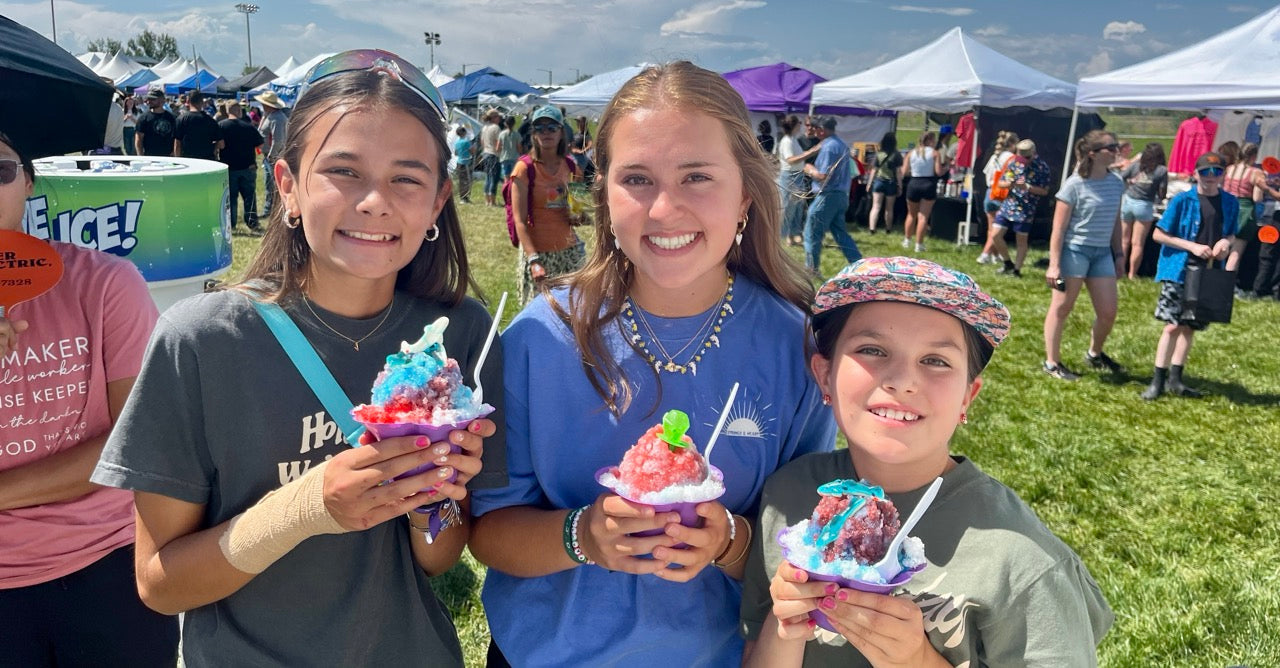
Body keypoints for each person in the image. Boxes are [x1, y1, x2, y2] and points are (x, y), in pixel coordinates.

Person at [90, 50, 505, 666]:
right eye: (343, 171)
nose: (373, 202)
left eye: (406, 178)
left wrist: (431, 497)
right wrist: (306, 508)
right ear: (287, 186)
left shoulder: (460, 334)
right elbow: (159, 582)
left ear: (438, 201)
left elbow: (441, 556)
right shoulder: (201, 341)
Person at [469, 61, 837, 667]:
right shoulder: (542, 336)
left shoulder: (795, 348)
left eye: (697, 177)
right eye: (637, 179)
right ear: (605, 196)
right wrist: (581, 536)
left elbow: (805, 543)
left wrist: (728, 541)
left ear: (745, 192)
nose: (664, 209)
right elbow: (487, 532)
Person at [740, 257, 1113, 666]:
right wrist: (787, 626)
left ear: (967, 397)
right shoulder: (788, 498)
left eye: (935, 360)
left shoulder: (1023, 562)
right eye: (872, 349)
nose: (903, 380)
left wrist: (918, 660)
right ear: (824, 374)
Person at [0, 131, 177, 666]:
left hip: (106, 559)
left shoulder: (103, 284)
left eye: (0, 170)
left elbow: (135, 443)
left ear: (28, 184)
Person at [1140, 152, 1239, 401]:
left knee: (1190, 326)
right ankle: (1157, 380)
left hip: (1208, 271)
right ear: (1195, 174)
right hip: (1179, 269)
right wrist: (1192, 246)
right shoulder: (1182, 200)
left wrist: (1225, 243)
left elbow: (1231, 234)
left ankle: (1176, 379)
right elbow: (1159, 235)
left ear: (1222, 176)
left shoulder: (1230, 202)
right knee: (1172, 325)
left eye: (1216, 173)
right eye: (1205, 172)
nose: (1210, 177)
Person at [1044, 130, 1127, 381]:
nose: (1116, 151)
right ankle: (1052, 362)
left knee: (1108, 312)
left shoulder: (1116, 183)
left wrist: (1119, 253)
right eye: (1110, 148)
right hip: (1075, 251)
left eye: (1116, 146)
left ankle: (1095, 353)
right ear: (1092, 153)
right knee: (1062, 308)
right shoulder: (1074, 185)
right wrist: (1054, 265)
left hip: (1102, 253)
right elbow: (1058, 229)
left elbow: (1115, 221)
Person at [507, 105, 583, 304]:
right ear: (533, 134)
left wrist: (579, 215)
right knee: (542, 316)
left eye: (552, 127)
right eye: (539, 128)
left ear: (561, 132)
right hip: (539, 256)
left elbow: (579, 210)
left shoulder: (571, 167)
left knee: (575, 310)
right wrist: (534, 261)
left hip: (570, 253)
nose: (546, 132)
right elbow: (519, 221)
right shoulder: (523, 169)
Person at [802, 116, 860, 274]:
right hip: (841, 195)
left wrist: (809, 169)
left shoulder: (829, 147)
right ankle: (858, 264)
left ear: (821, 130)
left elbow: (823, 176)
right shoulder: (841, 144)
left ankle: (811, 268)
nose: (814, 131)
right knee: (840, 233)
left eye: (816, 128)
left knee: (811, 231)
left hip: (827, 196)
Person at [990, 139, 1052, 278]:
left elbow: (1044, 191)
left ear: (1034, 154)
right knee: (995, 235)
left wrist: (1027, 187)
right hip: (1008, 205)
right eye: (1021, 157)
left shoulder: (1042, 167)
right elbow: (1001, 182)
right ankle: (1007, 263)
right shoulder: (1014, 162)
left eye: (1027, 157)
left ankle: (1017, 270)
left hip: (1026, 209)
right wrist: (1010, 183)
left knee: (1021, 241)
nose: (1024, 160)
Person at [1119, 142, 1169, 279]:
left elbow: (1121, 177)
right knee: (1137, 243)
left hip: (1128, 202)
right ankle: (1132, 274)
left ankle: (1120, 271)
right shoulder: (1161, 170)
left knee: (1124, 241)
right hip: (1144, 204)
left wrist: (1129, 184)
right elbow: (1162, 193)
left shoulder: (1135, 166)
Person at [218, 101, 265, 234]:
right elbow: (260, 144)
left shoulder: (221, 126)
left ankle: (231, 224)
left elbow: (219, 145)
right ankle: (252, 222)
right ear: (239, 111)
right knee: (249, 197)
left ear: (227, 111)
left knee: (231, 198)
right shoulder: (248, 127)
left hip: (229, 168)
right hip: (247, 167)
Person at [976, 130, 1018, 265]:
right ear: (1012, 144)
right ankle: (985, 254)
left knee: (991, 228)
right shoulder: (1012, 158)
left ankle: (995, 255)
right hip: (1002, 194)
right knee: (997, 230)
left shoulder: (995, 156)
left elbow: (986, 173)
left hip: (990, 192)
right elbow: (1013, 177)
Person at [902, 131, 943, 253]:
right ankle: (919, 244)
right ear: (930, 141)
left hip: (914, 183)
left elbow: (904, 172)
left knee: (911, 214)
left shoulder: (911, 153)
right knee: (923, 216)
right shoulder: (935, 154)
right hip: (928, 183)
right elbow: (938, 172)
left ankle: (907, 240)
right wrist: (946, 168)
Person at [776, 115, 811, 246]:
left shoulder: (793, 139)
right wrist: (810, 153)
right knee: (788, 207)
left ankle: (793, 234)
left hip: (797, 175)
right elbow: (791, 159)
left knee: (797, 207)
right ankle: (783, 236)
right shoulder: (787, 141)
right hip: (790, 176)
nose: (801, 126)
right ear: (795, 125)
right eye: (799, 124)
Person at [255, 91, 289, 219]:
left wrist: (271, 155)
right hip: (271, 155)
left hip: (274, 157)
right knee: (270, 184)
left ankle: (272, 210)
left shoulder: (277, 118)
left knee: (272, 184)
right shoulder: (271, 116)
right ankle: (271, 209)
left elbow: (278, 139)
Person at [867, 132, 901, 235]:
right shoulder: (896, 155)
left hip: (878, 181)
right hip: (891, 182)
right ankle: (888, 229)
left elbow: (874, 170)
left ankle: (872, 229)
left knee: (876, 206)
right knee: (889, 208)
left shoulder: (879, 154)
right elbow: (898, 172)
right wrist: (900, 185)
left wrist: (869, 183)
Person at [173, 92, 223, 160]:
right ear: (202, 102)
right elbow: (221, 144)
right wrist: (214, 150)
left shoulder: (181, 119)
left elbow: (177, 144)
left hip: (188, 160)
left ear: (188, 101)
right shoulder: (211, 121)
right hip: (206, 160)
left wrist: (178, 160)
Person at [134, 89, 175, 157]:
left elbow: (176, 137)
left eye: (153, 99)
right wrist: (140, 156)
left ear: (162, 100)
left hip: (168, 157)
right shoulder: (143, 118)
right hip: (150, 157)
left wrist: (174, 152)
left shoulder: (171, 118)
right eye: (148, 99)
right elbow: (138, 138)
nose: (149, 101)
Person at [480, 109, 503, 206]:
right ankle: (492, 201)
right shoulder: (496, 128)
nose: (500, 119)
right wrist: (499, 151)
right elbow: (499, 142)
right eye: (498, 117)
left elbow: (482, 142)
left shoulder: (484, 127)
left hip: (485, 153)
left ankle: (487, 200)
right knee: (494, 178)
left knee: (488, 177)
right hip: (494, 154)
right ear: (494, 118)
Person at [452, 126, 475, 203]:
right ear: (464, 132)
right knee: (467, 180)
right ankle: (465, 197)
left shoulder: (457, 142)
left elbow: (456, 153)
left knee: (461, 180)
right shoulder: (466, 142)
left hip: (459, 162)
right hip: (466, 163)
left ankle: (462, 196)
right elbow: (472, 152)